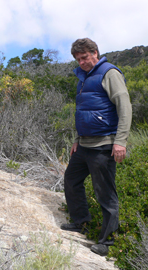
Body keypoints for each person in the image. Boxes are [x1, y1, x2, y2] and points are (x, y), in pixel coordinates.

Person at [61, 38, 132, 256]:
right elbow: (84, 112)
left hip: (104, 145)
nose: (82, 62)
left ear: (95, 53)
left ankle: (108, 242)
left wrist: (120, 141)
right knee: (71, 181)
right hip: (84, 144)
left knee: (105, 193)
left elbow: (125, 107)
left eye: (85, 57)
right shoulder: (83, 77)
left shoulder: (109, 73)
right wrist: (77, 139)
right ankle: (80, 221)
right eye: (78, 59)